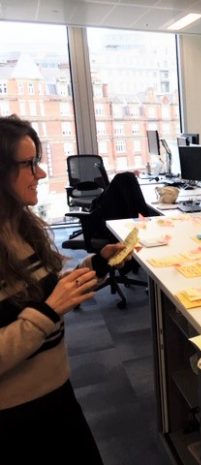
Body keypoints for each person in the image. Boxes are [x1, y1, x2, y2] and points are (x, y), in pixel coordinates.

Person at [0, 115, 127, 463]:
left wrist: (98, 264)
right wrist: (49, 312)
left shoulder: (21, 228)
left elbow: (47, 289)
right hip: (14, 415)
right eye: (29, 164)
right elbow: (47, 306)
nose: (40, 174)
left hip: (55, 391)